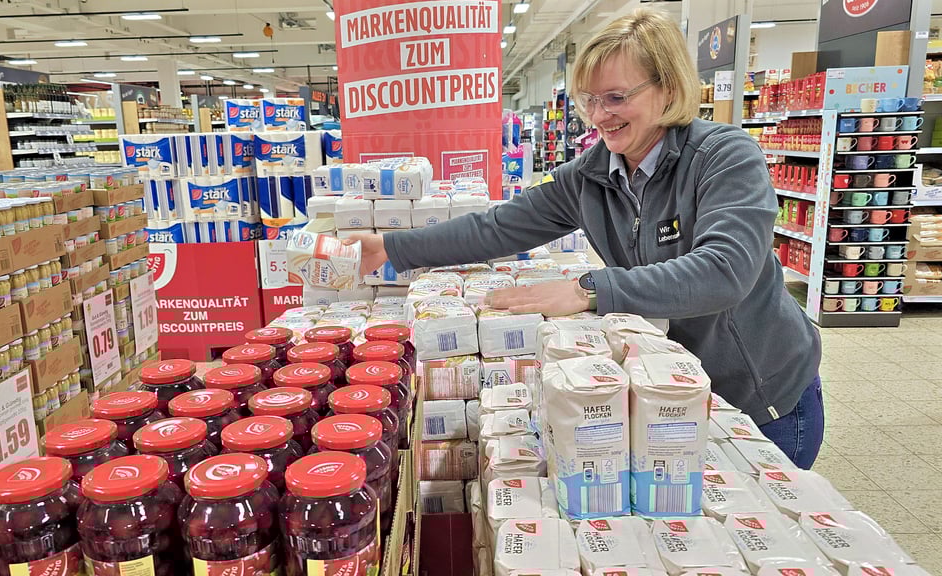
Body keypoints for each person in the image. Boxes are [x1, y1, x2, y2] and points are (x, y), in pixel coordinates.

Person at [343, 7, 823, 469]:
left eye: (615, 97)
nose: (599, 115)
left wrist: (587, 289)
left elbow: (725, 271)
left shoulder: (724, 157)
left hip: (762, 397)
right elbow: (498, 226)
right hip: (671, 391)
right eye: (588, 100)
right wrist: (390, 247)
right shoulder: (590, 176)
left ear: (668, 88)